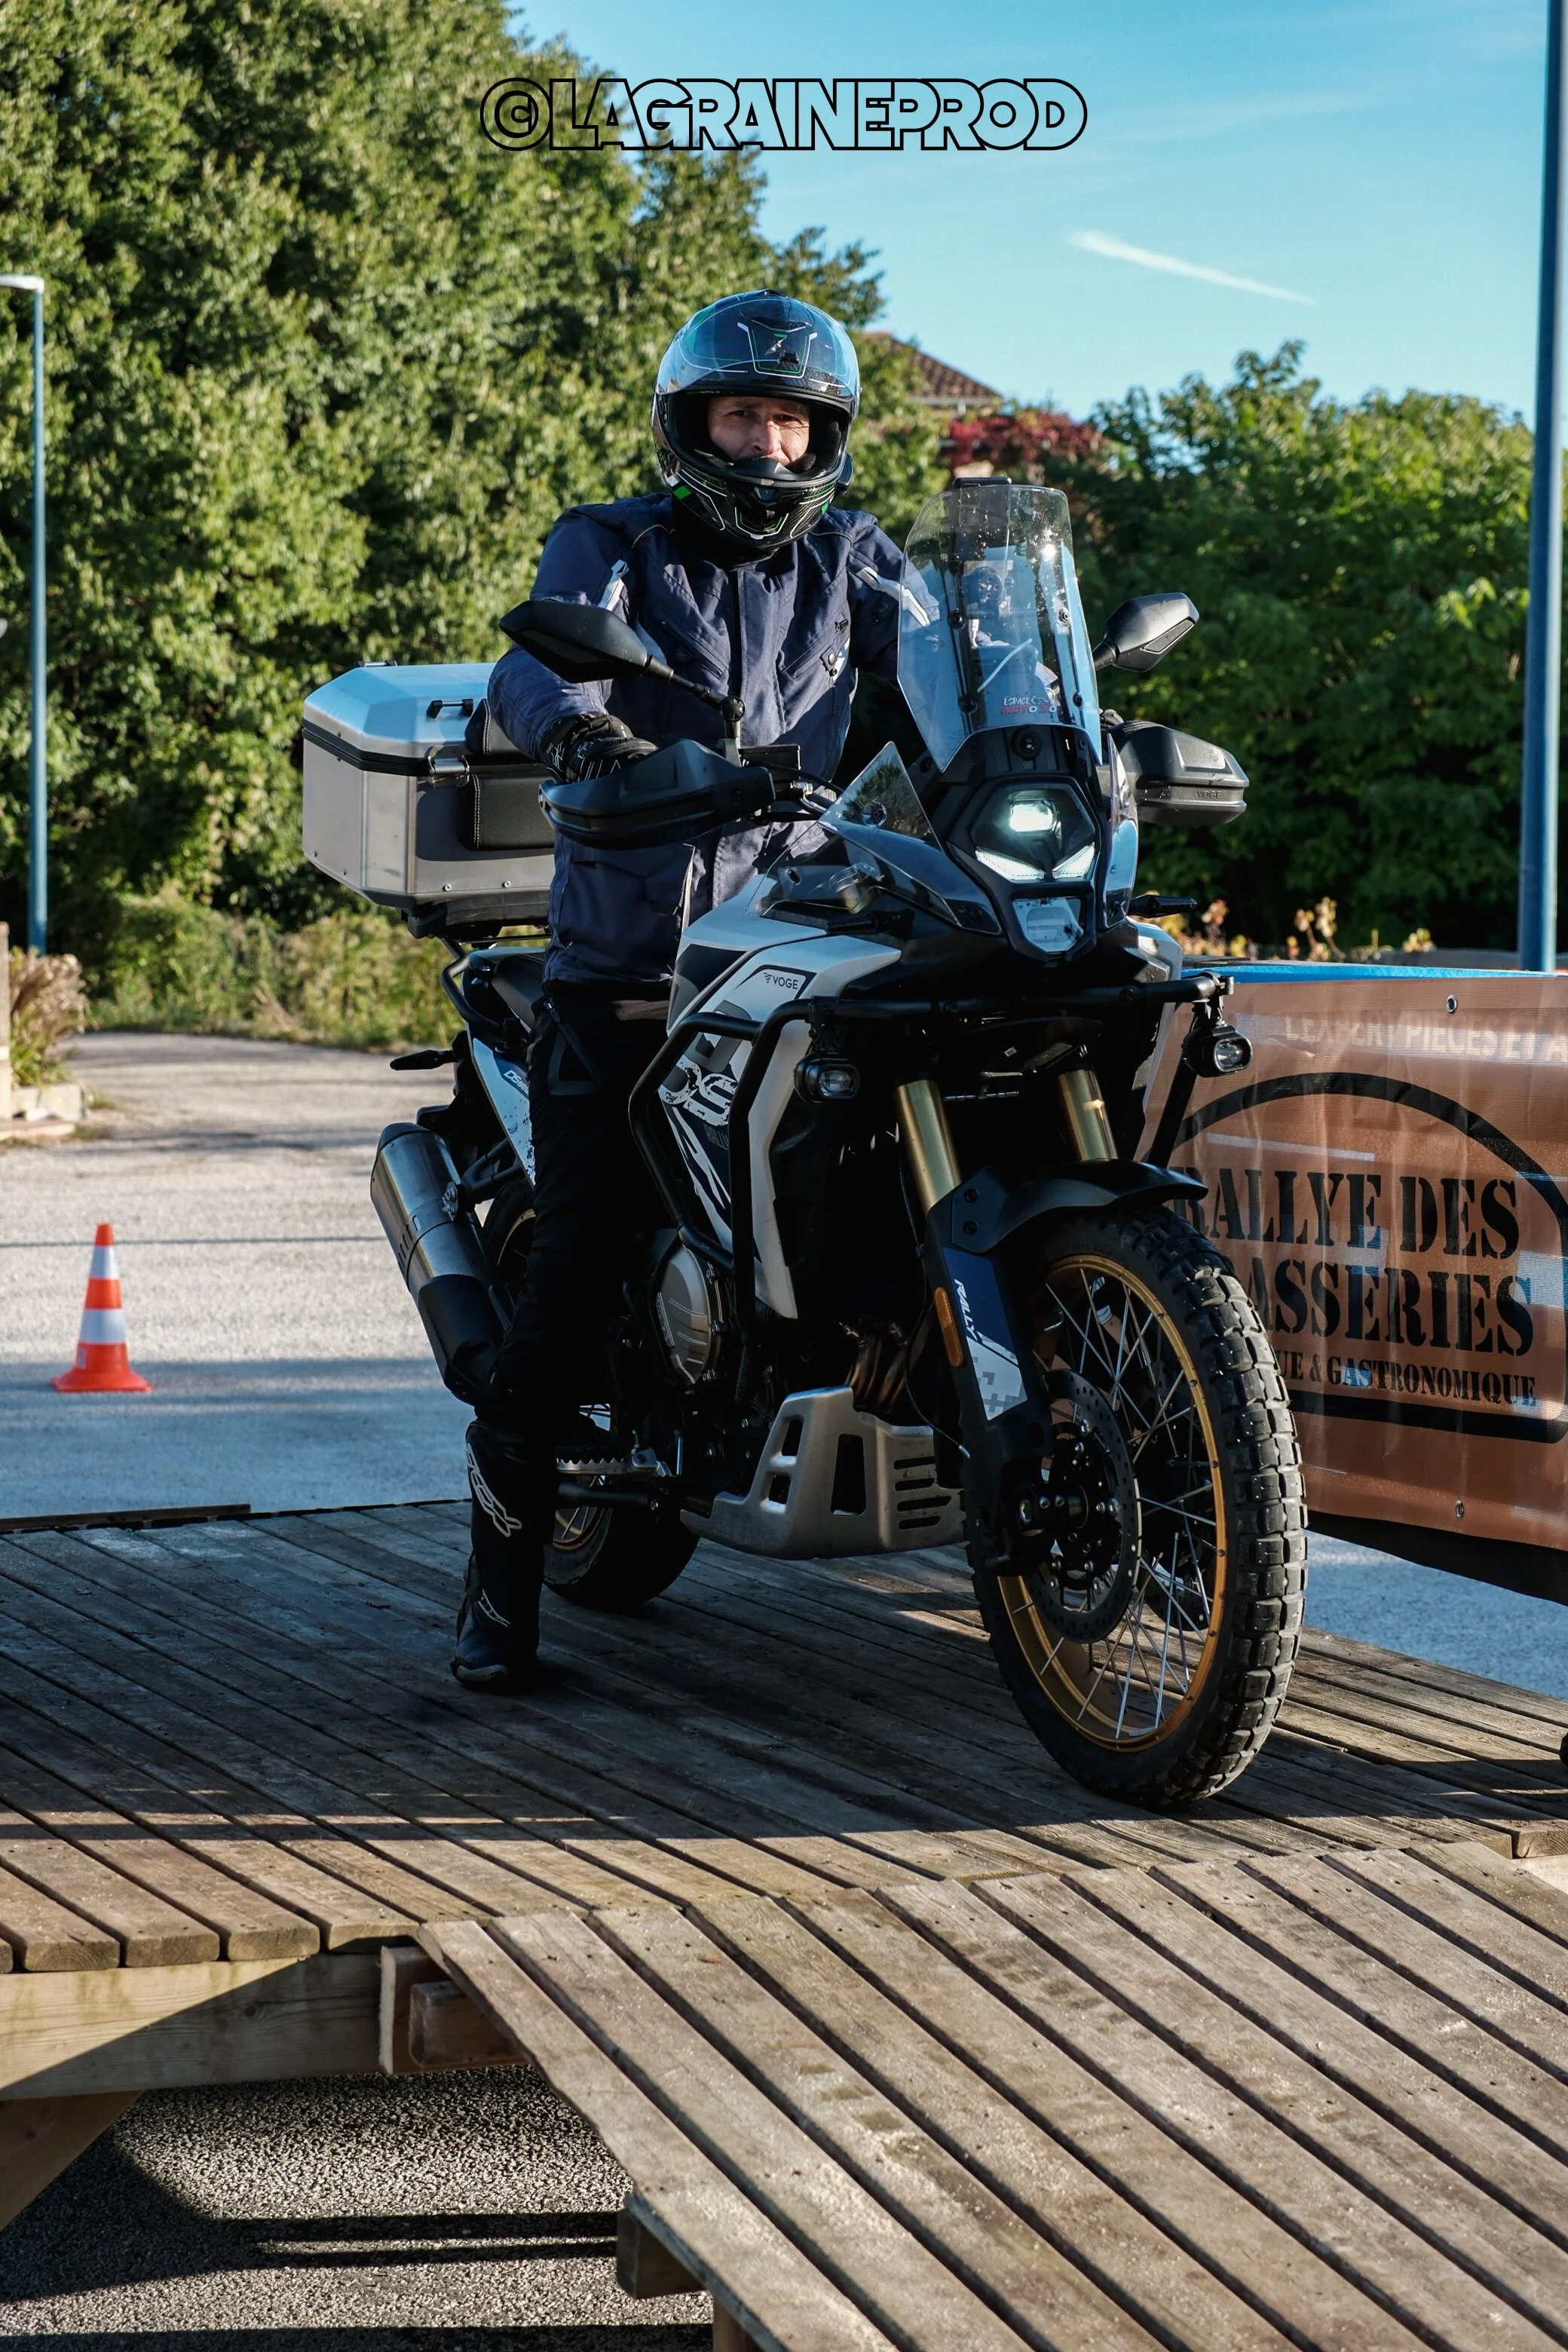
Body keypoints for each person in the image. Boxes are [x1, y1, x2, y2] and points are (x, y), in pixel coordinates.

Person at [452, 289, 912, 1692]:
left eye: (790, 419)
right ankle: (498, 1590)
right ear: (692, 424)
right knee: (580, 1253)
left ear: (822, 434)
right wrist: (585, 741)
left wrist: (1052, 732)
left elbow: (963, 662)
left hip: (810, 938)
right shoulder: (617, 541)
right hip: (635, 956)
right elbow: (536, 660)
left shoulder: (856, 556)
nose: (767, 445)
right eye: (742, 415)